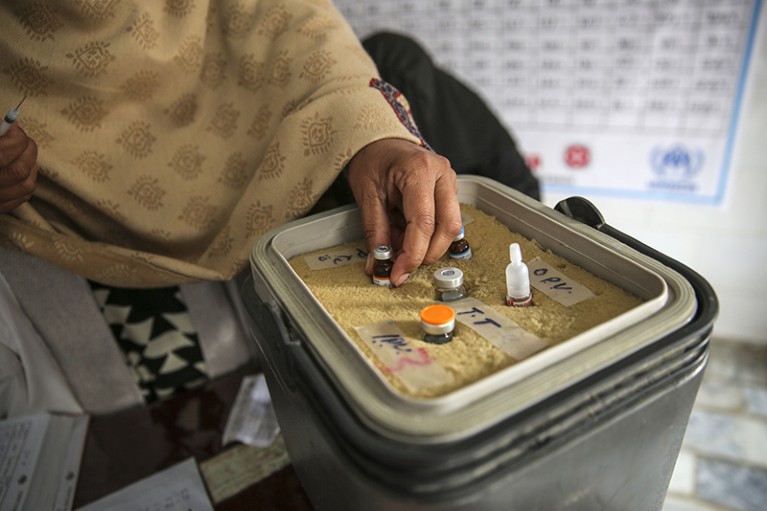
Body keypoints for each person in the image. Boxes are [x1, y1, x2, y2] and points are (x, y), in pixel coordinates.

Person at [0, 2, 534, 417]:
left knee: (394, 57)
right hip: (63, 238)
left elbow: (290, 18)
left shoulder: (394, 84)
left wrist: (368, 130)